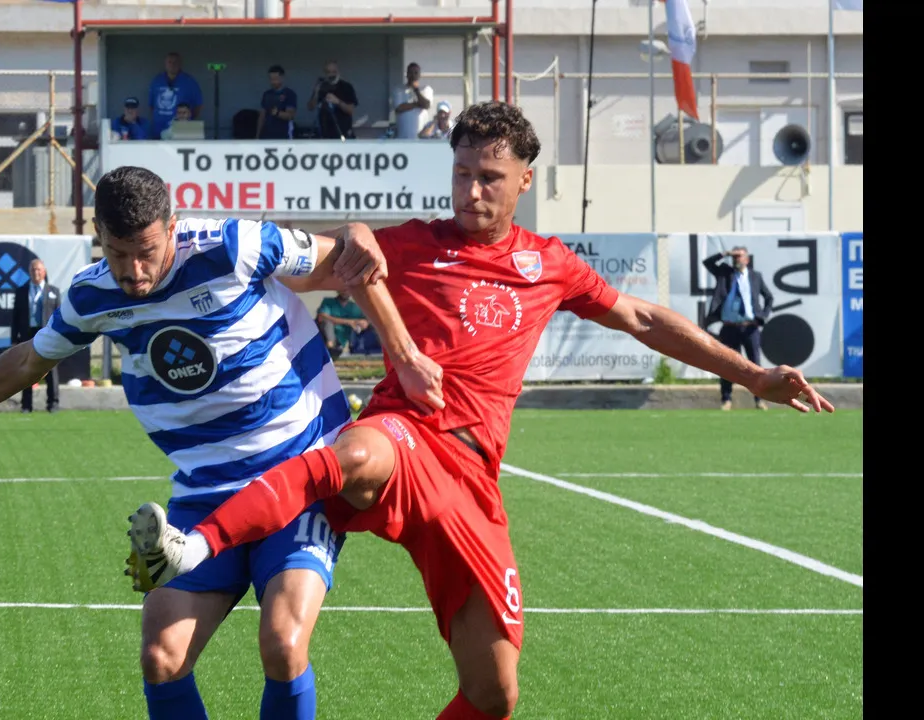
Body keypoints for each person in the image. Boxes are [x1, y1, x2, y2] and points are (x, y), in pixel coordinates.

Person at [124, 102, 836, 720]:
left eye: (489, 177)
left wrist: (752, 374)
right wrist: (355, 233)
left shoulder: (549, 264)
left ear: (525, 179)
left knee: (494, 693)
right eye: (461, 173)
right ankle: (196, 545)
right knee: (358, 452)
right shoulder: (416, 243)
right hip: (404, 431)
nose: (470, 191)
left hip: (470, 479)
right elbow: (321, 257)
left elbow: (643, 319)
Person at [0, 165, 440, 720]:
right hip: (205, 490)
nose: (132, 271)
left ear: (172, 226)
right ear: (99, 236)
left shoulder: (232, 247)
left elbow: (350, 264)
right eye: (117, 253)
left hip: (298, 476)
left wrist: (404, 353)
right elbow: (29, 359)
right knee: (161, 658)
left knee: (283, 644)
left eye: (145, 252)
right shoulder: (93, 295)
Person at [702, 246, 775, 410]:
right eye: (734, 257)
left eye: (740, 256)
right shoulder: (725, 274)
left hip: (750, 328)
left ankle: (759, 399)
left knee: (755, 365)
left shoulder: (755, 276)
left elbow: (769, 297)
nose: (737, 259)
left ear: (747, 260)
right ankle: (726, 399)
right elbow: (707, 263)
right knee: (727, 364)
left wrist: (763, 315)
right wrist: (725, 254)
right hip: (729, 327)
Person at [10, 258, 61, 413]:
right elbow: (15, 317)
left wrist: (59, 336)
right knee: (27, 369)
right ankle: (26, 405)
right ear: (29, 272)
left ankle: (53, 404)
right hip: (27, 334)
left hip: (47, 334)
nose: (35, 272)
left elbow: (59, 316)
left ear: (44, 272)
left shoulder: (53, 291)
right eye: (33, 270)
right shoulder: (21, 291)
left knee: (50, 369)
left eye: (38, 269)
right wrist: (14, 339)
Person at [149, 52, 203, 139]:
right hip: (158, 129)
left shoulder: (189, 81)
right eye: (169, 62)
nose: (172, 65)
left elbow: (198, 106)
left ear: (180, 64)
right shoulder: (157, 80)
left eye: (175, 62)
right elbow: (151, 106)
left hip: (181, 130)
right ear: (165, 64)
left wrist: (186, 120)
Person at [306, 60, 358, 140]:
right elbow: (310, 107)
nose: (331, 75)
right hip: (325, 134)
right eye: (328, 72)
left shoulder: (346, 87)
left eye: (333, 72)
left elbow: (350, 110)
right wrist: (316, 93)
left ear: (338, 72)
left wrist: (337, 101)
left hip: (343, 133)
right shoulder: (321, 86)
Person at [316, 290, 368, 359]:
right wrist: (349, 322)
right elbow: (321, 317)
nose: (345, 292)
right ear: (337, 290)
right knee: (327, 323)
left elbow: (365, 322)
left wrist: (362, 323)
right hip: (327, 339)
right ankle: (330, 347)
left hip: (346, 341)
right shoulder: (328, 302)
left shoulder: (355, 307)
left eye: (347, 290)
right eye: (342, 289)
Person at [393, 62, 433, 140]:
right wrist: (418, 104)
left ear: (419, 75)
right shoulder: (399, 89)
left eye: (416, 73)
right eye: (410, 72)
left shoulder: (426, 89)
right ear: (407, 74)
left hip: (421, 139)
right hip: (403, 138)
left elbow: (426, 105)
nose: (413, 75)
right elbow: (399, 108)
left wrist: (416, 90)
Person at [257, 64, 298, 140]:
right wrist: (257, 136)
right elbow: (262, 116)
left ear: (282, 78)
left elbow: (290, 116)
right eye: (271, 79)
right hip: (266, 135)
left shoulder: (289, 94)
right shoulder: (267, 94)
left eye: (275, 79)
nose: (273, 81)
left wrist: (277, 113)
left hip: (283, 135)